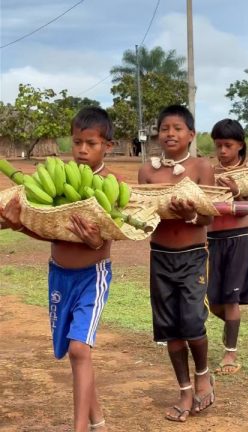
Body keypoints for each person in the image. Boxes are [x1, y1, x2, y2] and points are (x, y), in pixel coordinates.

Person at [0, 107, 116, 431]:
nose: (81, 149)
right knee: (71, 349)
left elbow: (107, 238)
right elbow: (48, 232)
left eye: (90, 143)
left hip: (92, 277)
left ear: (108, 145)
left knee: (80, 348)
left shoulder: (110, 184)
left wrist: (94, 242)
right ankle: (99, 421)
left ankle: (79, 428)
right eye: (77, 141)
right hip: (58, 275)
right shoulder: (59, 180)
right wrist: (19, 226)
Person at [137, 105, 216, 422]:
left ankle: (203, 374)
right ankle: (184, 391)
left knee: (193, 324)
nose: (170, 133)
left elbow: (210, 215)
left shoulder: (201, 167)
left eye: (177, 128)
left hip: (193, 255)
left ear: (191, 135)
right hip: (160, 256)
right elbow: (142, 217)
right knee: (170, 329)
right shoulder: (147, 172)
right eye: (164, 127)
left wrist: (191, 215)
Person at [207, 119, 248, 374]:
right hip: (211, 239)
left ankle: (230, 354)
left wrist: (237, 190)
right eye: (218, 146)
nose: (223, 151)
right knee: (212, 300)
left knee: (231, 298)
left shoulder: (247, 172)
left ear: (240, 146)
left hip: (238, 238)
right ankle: (233, 328)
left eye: (228, 145)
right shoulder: (209, 172)